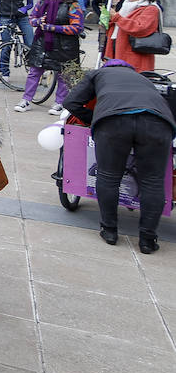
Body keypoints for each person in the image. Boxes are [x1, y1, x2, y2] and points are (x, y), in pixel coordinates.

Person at [64, 60, 176, 253]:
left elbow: (70, 102)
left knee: (108, 176)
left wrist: (94, 120)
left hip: (113, 122)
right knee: (153, 181)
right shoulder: (143, 79)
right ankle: (148, 240)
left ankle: (109, 231)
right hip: (156, 123)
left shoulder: (97, 74)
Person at [15, 0, 83, 116]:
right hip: (42, 43)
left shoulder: (73, 5)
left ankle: (59, 103)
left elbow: (77, 27)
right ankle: (26, 100)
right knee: (34, 71)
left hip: (65, 46)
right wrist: (39, 21)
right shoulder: (42, 1)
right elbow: (32, 19)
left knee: (63, 75)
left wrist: (54, 28)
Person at [101, 0, 163, 72]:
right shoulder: (126, 5)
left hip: (136, 55)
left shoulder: (151, 9)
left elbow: (140, 28)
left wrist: (116, 17)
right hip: (118, 49)